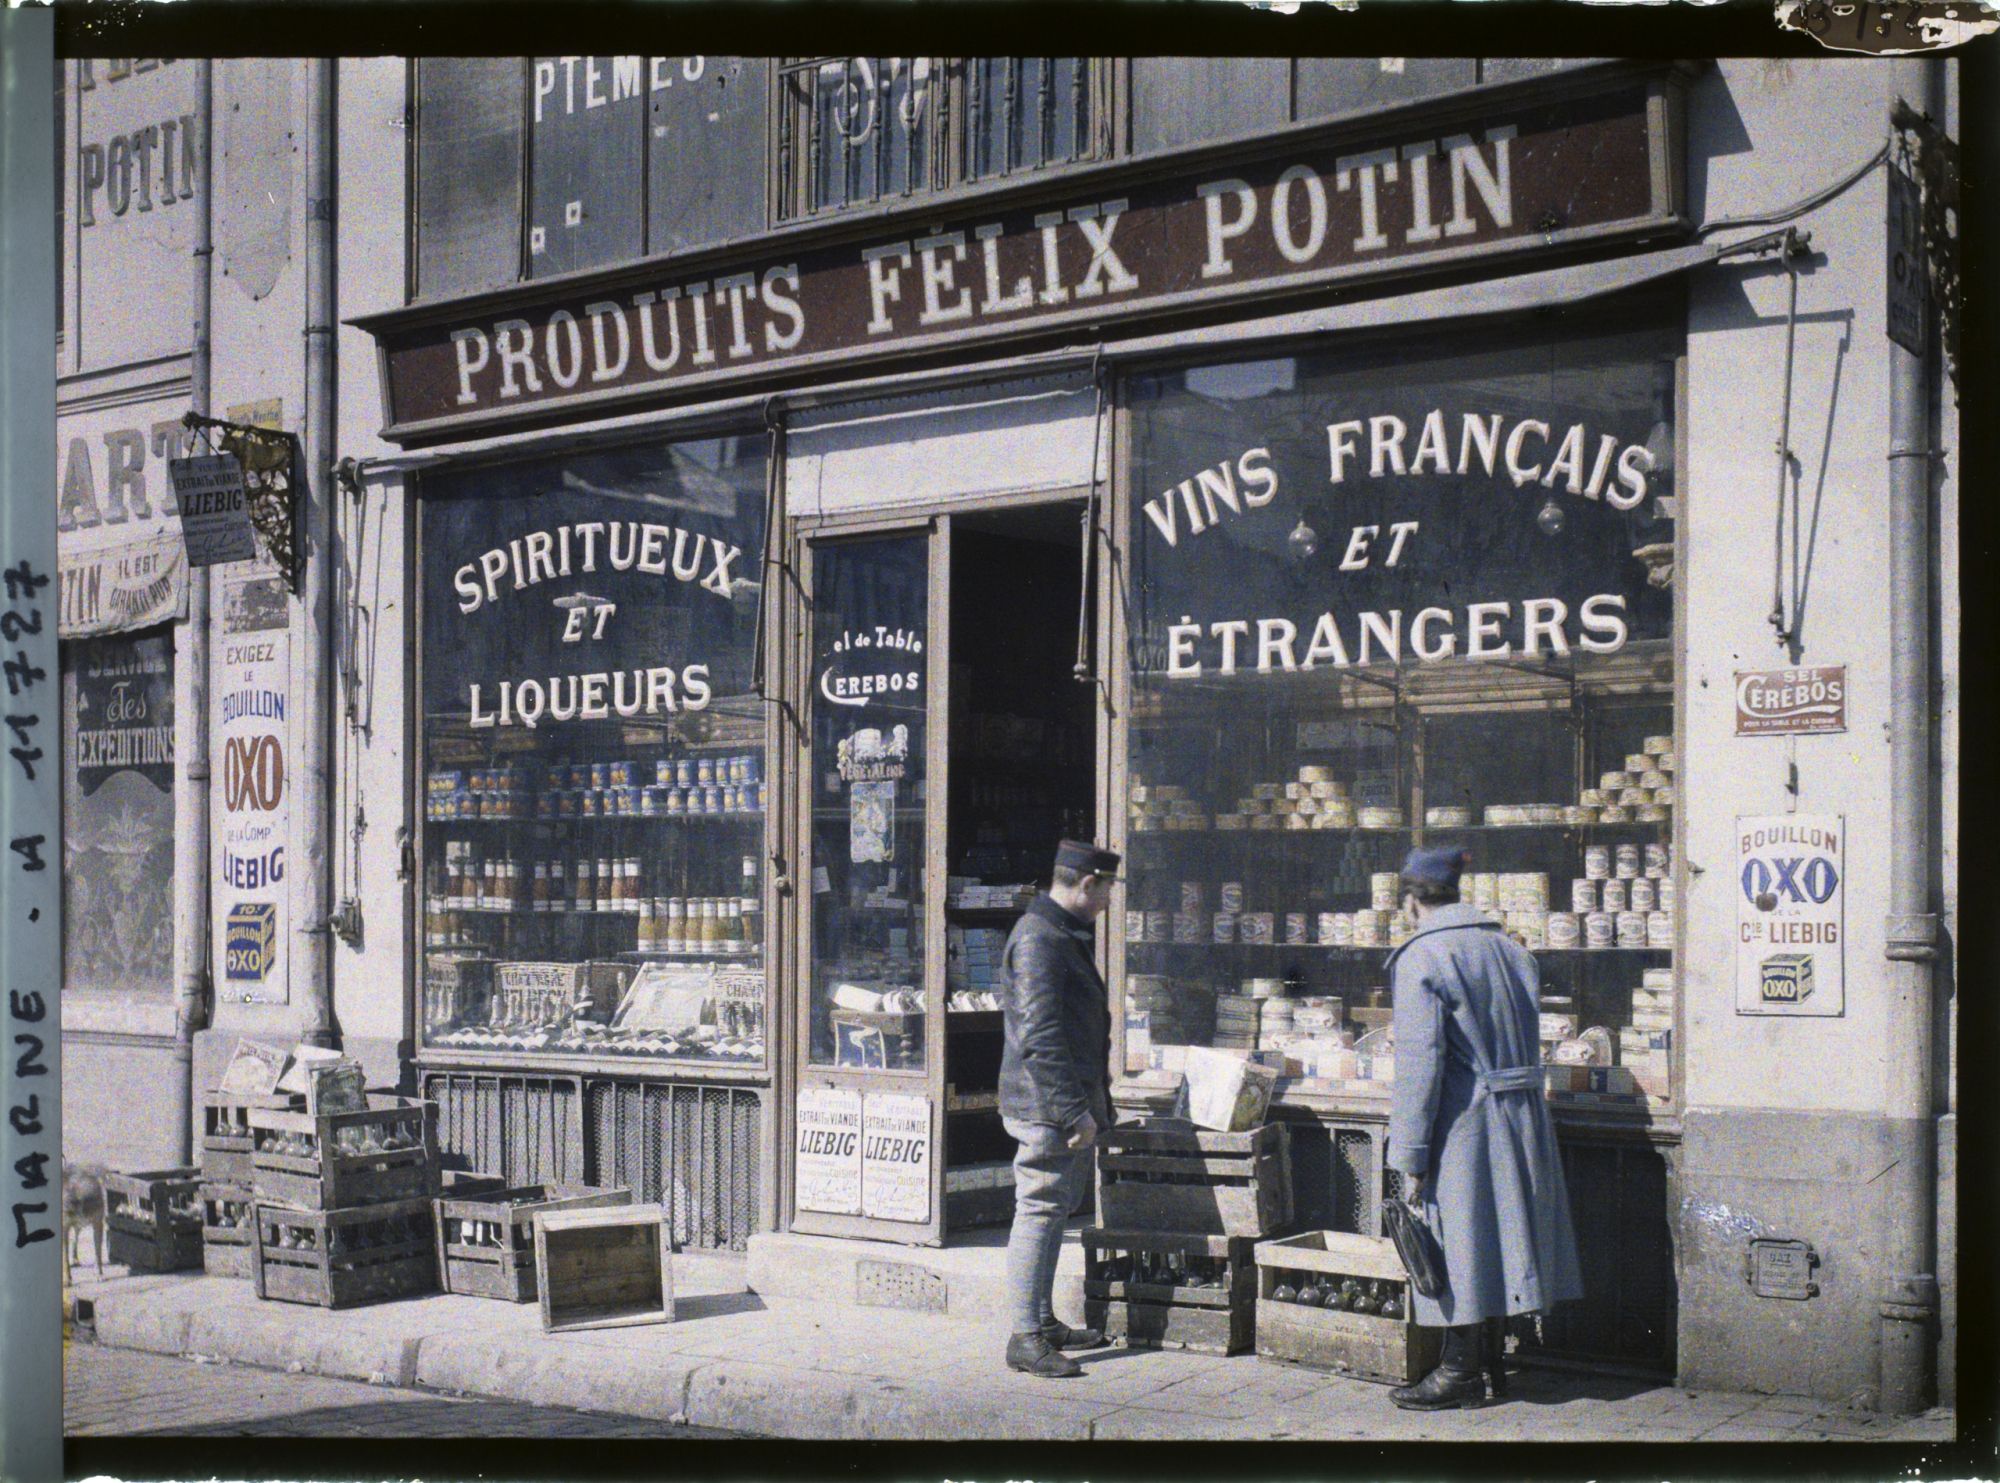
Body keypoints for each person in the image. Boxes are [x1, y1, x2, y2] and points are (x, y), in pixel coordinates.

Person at [1384, 845, 1583, 1410]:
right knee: (1500, 1238)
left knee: (1458, 1242)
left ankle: (1459, 1369)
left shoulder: (1423, 956)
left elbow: (1420, 1068)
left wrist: (1411, 1154)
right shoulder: (1508, 948)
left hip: (1464, 1120)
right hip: (1520, 1115)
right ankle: (1491, 1365)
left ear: (1410, 901)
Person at [996, 839, 1120, 1378]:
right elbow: (1040, 1037)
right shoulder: (1040, 939)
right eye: (1108, 890)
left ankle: (1041, 1323)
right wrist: (1075, 1112)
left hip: (1056, 1102)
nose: (1109, 902)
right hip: (1048, 1106)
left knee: (1049, 1211)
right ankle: (1025, 1336)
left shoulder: (1057, 933)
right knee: (1040, 1208)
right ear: (1087, 883)